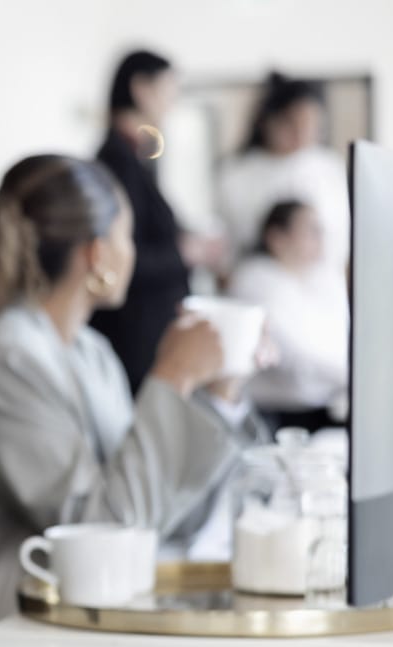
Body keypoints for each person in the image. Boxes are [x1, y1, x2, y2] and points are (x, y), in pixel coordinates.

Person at [0, 154, 266, 628]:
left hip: (64, 606)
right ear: (96, 254)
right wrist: (173, 377)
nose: (133, 250)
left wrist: (221, 392)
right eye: (127, 236)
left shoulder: (90, 353)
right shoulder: (7, 361)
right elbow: (103, 531)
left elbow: (154, 514)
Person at [89, 50, 223, 394]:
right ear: (141, 88)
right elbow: (122, 254)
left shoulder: (138, 157)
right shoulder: (116, 162)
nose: (173, 100)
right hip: (133, 341)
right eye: (169, 89)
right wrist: (186, 253)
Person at [227, 200, 348, 432]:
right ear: (276, 238)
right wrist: (353, 372)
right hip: (278, 414)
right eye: (311, 231)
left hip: (325, 406)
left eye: (320, 231)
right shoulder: (255, 280)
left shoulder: (323, 278)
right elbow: (294, 353)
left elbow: (345, 336)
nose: (319, 240)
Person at [217, 73, 349, 276]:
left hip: (324, 288)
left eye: (312, 126)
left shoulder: (329, 167)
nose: (303, 134)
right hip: (262, 287)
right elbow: (227, 252)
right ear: (269, 122)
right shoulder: (238, 175)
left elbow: (342, 242)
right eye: (294, 124)